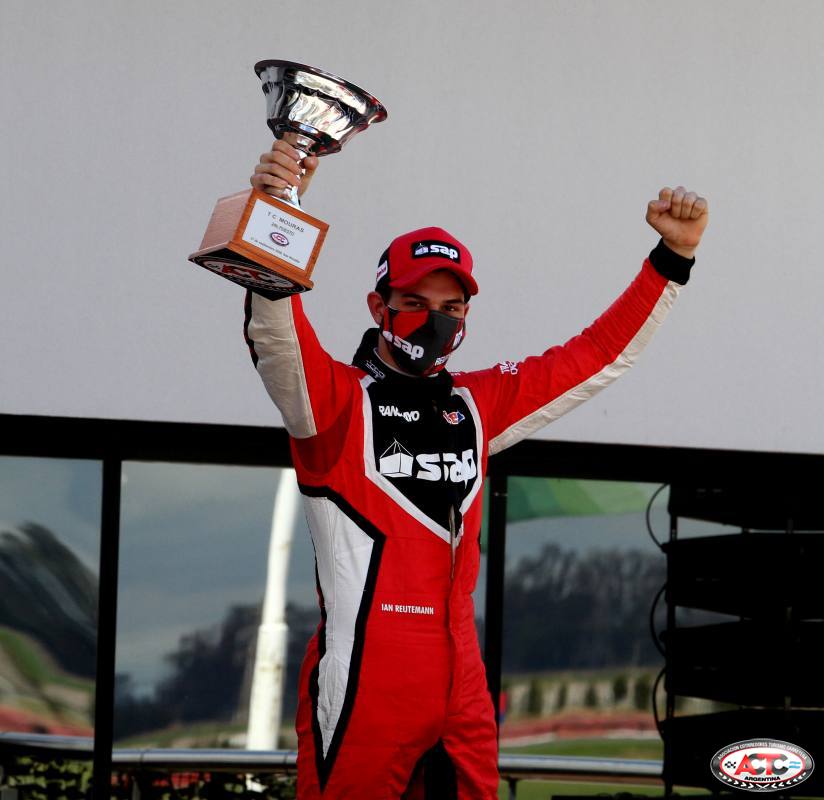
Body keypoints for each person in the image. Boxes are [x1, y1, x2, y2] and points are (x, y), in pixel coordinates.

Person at [243, 140, 708, 799]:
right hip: (367, 672)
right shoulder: (334, 402)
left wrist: (672, 259)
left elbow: (597, 356)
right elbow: (276, 332)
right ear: (378, 307)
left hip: (462, 672)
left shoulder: (476, 403)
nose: (435, 320)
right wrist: (277, 209)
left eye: (452, 307)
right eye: (415, 302)